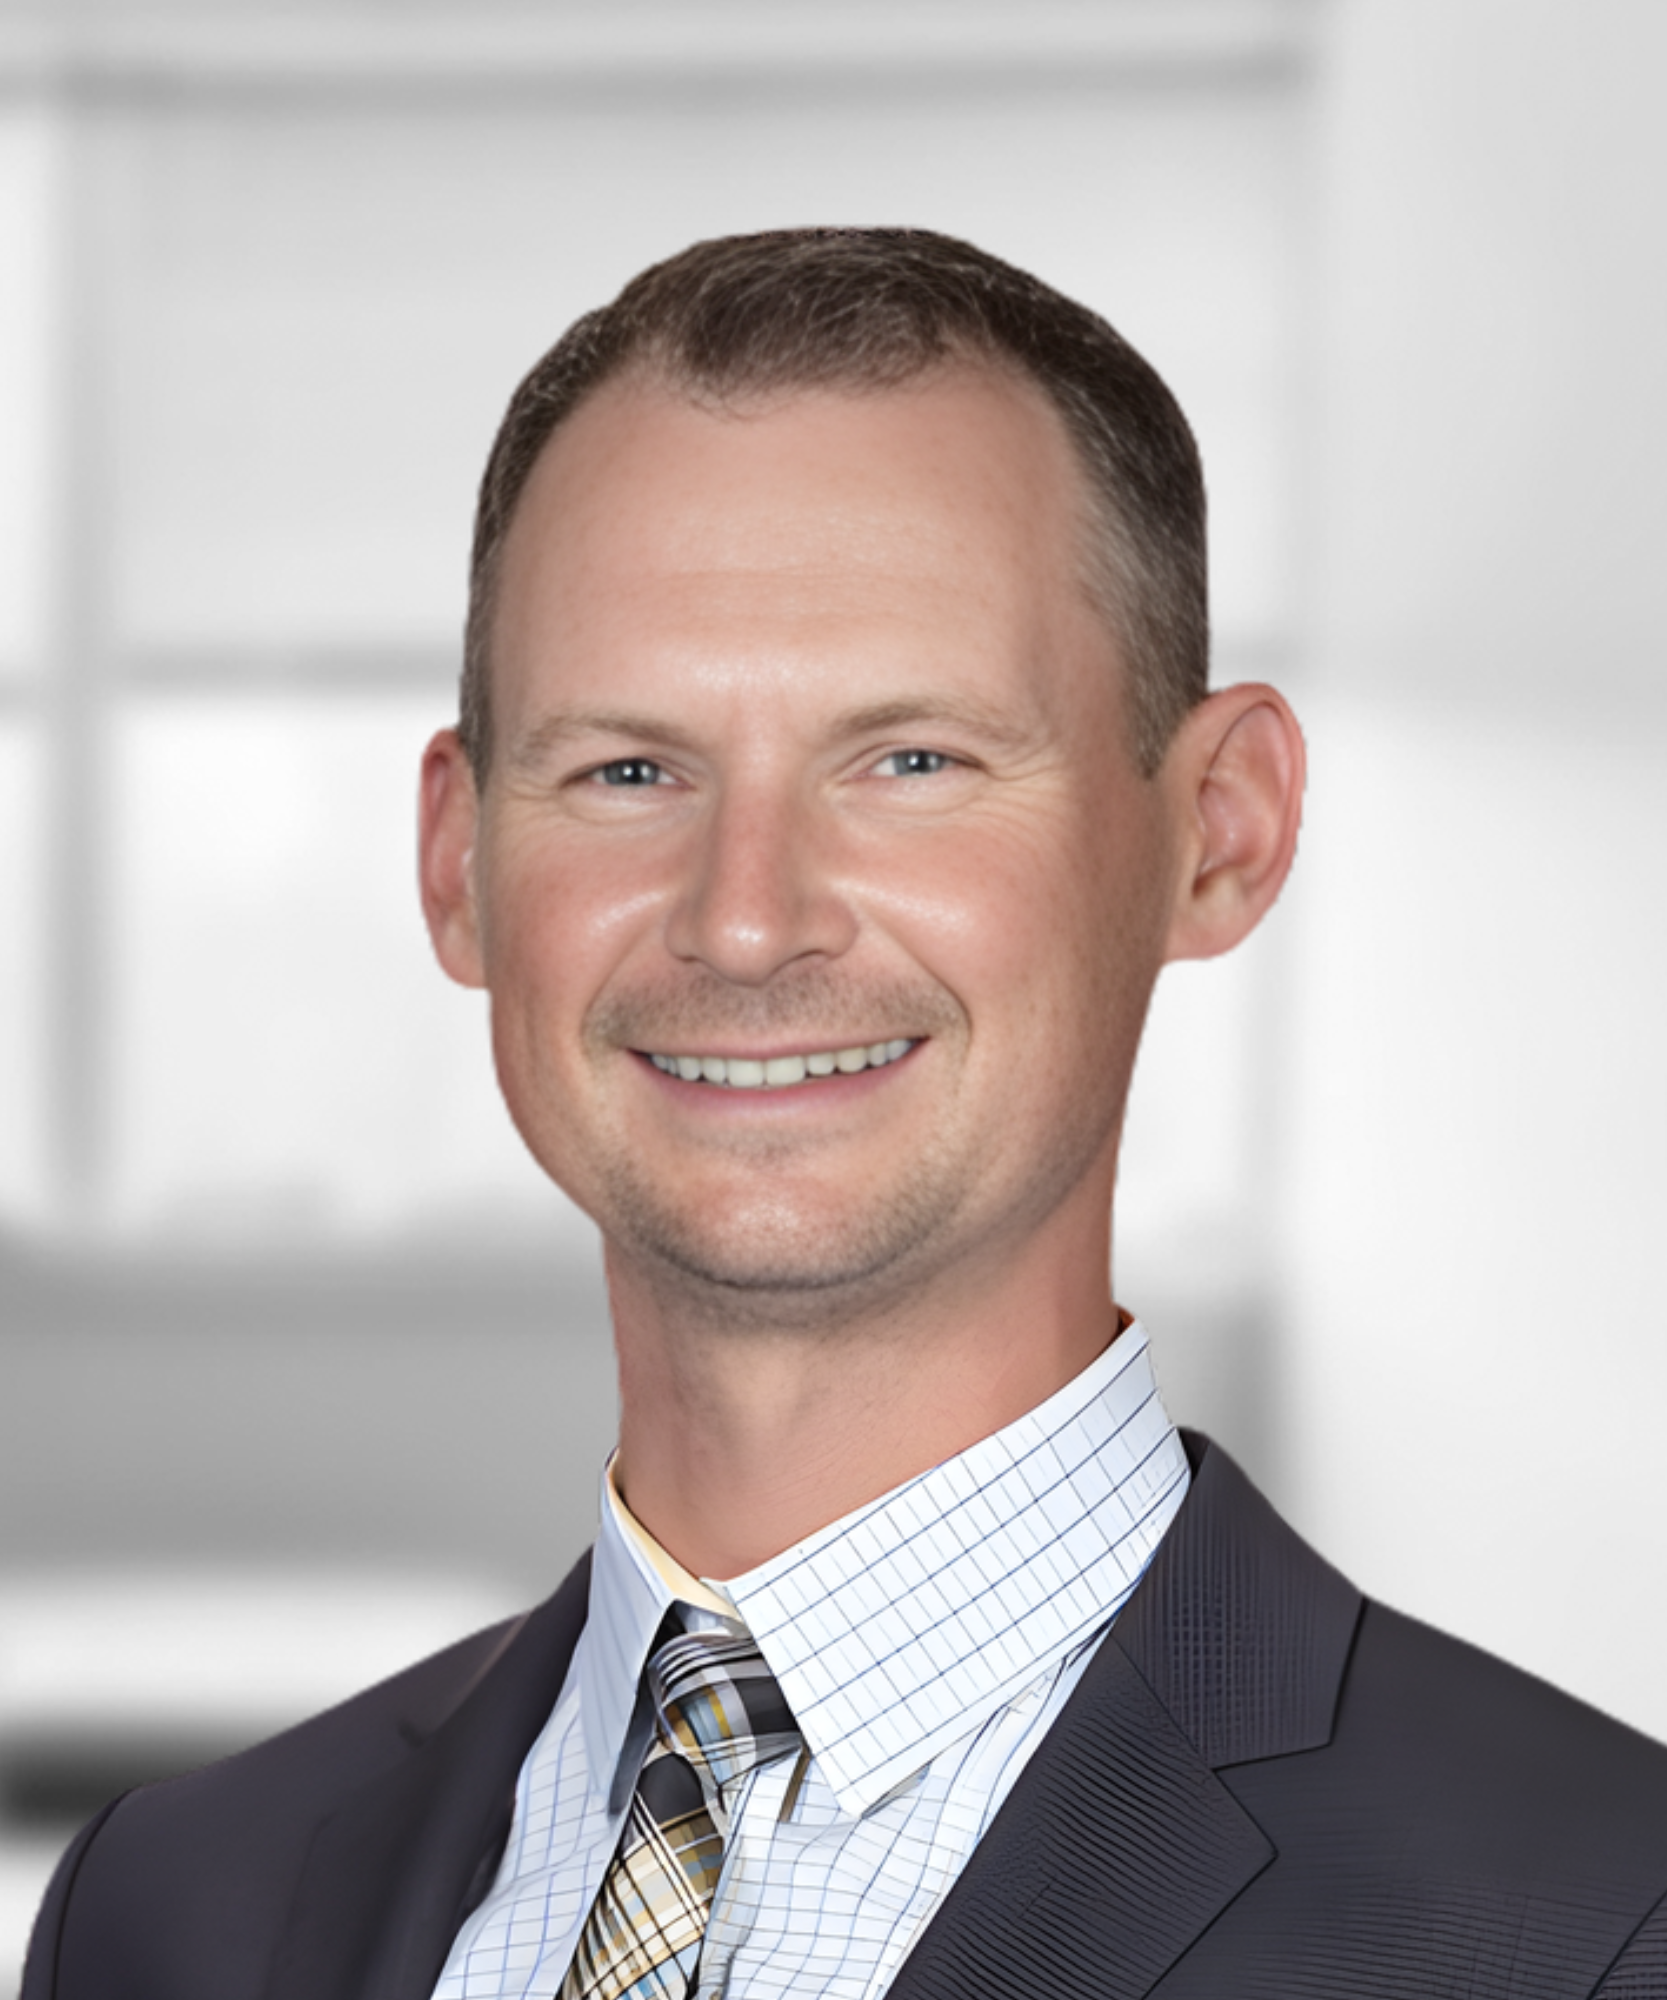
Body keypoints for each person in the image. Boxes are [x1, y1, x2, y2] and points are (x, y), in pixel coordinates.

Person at [24, 227, 1667, 1999]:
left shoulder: (1597, 1925)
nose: (746, 918)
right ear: (458, 861)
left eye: (910, 762)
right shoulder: (166, 1911)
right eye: (628, 769)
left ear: (1218, 831)